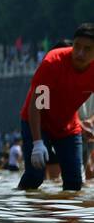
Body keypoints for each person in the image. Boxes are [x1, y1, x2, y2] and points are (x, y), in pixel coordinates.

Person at [16, 24, 94, 191]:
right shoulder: (53, 62)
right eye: (77, 46)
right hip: (38, 122)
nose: (80, 53)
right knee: (35, 177)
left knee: (74, 184)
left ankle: (68, 217)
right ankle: (22, 206)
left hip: (67, 127)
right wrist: (37, 142)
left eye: (87, 49)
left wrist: (91, 123)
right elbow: (37, 105)